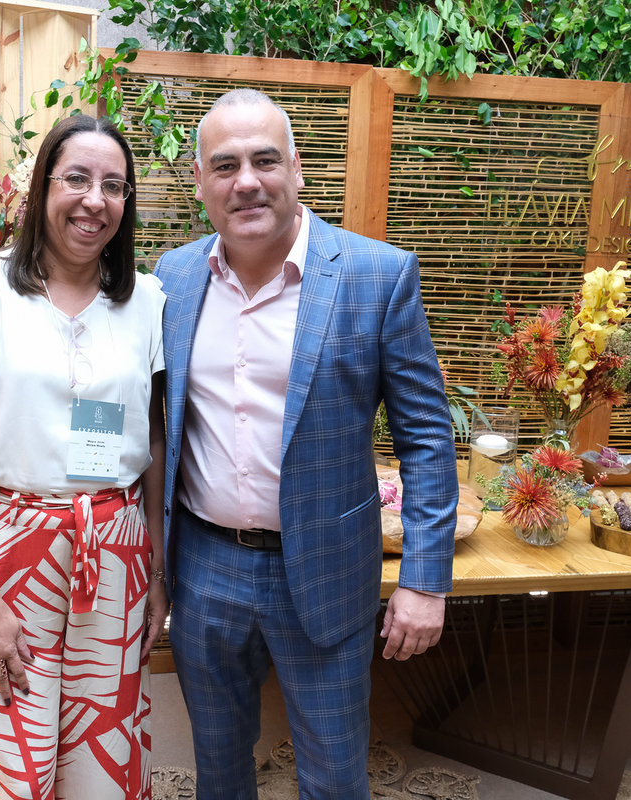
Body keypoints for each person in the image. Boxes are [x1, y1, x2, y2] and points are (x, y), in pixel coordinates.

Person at [156, 89, 459, 799]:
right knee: (218, 771)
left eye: (265, 160)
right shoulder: (172, 279)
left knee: (333, 776)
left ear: (296, 168)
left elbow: (425, 437)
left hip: (325, 568)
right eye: (225, 165)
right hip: (204, 568)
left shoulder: (377, 276)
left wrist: (424, 579)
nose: (247, 181)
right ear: (199, 182)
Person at [0, 115, 168, 800]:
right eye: (77, 179)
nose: (95, 200)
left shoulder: (146, 302)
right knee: (11, 759)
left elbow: (151, 443)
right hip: (9, 558)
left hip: (115, 554)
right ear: (43, 187)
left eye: (114, 186)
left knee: (102, 761)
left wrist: (156, 572)